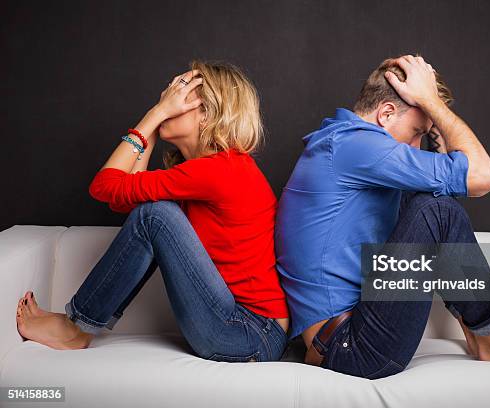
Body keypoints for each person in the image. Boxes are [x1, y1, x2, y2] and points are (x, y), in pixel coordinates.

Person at [274, 54, 490, 379]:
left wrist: (437, 143)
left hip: (342, 340)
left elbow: (428, 228)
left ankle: (480, 332)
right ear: (386, 114)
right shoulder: (356, 145)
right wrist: (431, 102)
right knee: (436, 211)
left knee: (429, 202)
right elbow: (485, 176)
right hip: (350, 348)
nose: (418, 147)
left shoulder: (341, 143)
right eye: (417, 131)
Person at [15, 60, 290, 363]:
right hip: (244, 328)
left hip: (249, 334)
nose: (165, 99)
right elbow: (124, 200)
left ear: (207, 114)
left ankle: (74, 329)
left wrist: (153, 117)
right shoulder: (202, 171)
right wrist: (153, 130)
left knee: (156, 216)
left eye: (178, 97)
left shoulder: (221, 171)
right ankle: (76, 325)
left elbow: (104, 186)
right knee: (152, 213)